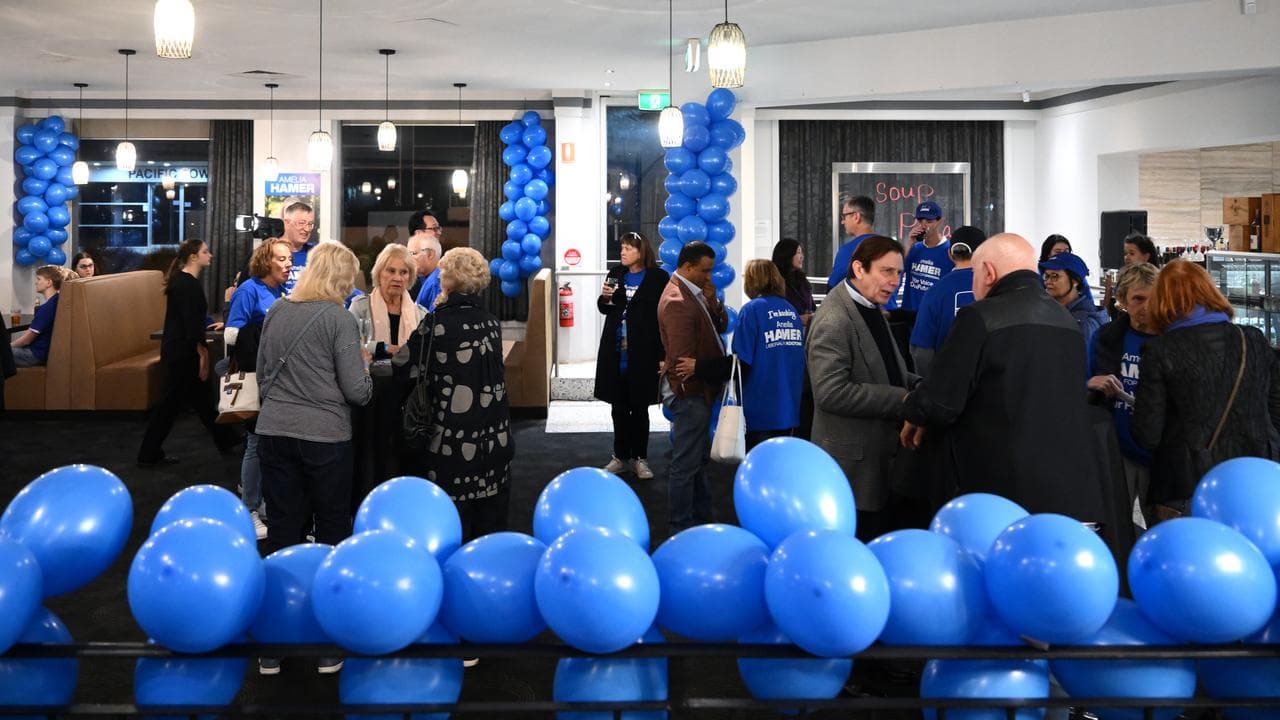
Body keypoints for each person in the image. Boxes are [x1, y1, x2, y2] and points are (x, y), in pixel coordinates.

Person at [900, 234, 1112, 524]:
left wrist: (912, 407)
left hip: (996, 489)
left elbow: (940, 402)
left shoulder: (980, 317)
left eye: (974, 275)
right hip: (1064, 488)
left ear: (988, 272)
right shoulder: (1066, 320)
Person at [1132, 260, 1280, 518]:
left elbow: (1148, 434)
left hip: (1188, 484)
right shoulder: (1252, 339)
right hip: (1256, 478)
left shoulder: (1159, 351)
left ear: (1161, 302)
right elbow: (1276, 407)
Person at [256, 242, 372, 552]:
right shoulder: (340, 319)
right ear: (341, 278)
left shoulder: (277, 309)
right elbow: (357, 392)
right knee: (332, 522)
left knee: (282, 524)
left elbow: (262, 373)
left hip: (274, 431)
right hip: (325, 437)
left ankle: (283, 580)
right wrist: (365, 367)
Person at [398, 248, 514, 541]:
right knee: (489, 530)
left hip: (452, 443)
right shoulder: (491, 322)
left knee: (454, 526)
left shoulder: (437, 323)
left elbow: (403, 365)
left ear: (447, 281)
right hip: (494, 439)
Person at [808, 236, 917, 540]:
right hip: (851, 473)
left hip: (879, 462)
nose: (895, 281)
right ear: (859, 269)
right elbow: (831, 392)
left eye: (899, 273)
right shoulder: (834, 318)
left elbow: (886, 368)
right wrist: (904, 398)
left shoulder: (870, 306)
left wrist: (919, 386)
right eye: (887, 271)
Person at [137, 240, 237, 467]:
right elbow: (190, 325)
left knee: (200, 401)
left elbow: (191, 320)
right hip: (183, 353)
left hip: (179, 350)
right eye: (205, 252)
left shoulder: (183, 283)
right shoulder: (187, 285)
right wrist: (202, 354)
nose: (210, 255)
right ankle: (148, 453)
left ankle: (226, 439)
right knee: (172, 404)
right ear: (193, 257)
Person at [223, 239, 292, 540]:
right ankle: (248, 508)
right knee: (255, 442)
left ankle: (261, 502)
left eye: (289, 259)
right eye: (282, 259)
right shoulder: (248, 290)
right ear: (266, 261)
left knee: (269, 443)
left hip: (276, 378)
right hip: (254, 376)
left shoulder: (281, 291)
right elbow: (232, 335)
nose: (288, 264)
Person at [658, 241, 728, 535]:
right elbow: (682, 362)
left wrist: (713, 303)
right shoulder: (677, 300)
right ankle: (681, 527)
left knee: (696, 460)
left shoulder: (694, 292)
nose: (709, 276)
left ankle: (700, 518)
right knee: (686, 464)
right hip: (690, 394)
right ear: (687, 267)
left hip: (698, 392)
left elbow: (719, 326)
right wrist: (696, 385)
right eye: (704, 271)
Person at [348, 243, 427, 498]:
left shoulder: (421, 314)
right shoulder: (360, 307)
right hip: (370, 400)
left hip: (407, 401)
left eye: (404, 272)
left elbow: (423, 355)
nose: (397, 277)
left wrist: (379, 349)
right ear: (379, 273)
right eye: (390, 271)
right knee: (370, 463)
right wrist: (391, 349)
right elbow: (353, 347)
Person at [1088, 262, 1158, 528]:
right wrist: (1090, 383)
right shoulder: (1106, 338)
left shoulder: (1174, 340)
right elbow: (1081, 381)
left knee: (1162, 529)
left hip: (1160, 453)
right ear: (1123, 301)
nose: (1147, 307)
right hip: (1118, 450)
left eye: (1153, 298)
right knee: (1115, 526)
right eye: (1138, 299)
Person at [594, 232, 668, 479]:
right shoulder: (616, 273)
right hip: (616, 350)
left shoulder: (658, 277)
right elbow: (606, 308)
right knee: (618, 406)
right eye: (622, 248)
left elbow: (663, 316)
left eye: (628, 248)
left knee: (639, 408)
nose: (622, 252)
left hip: (643, 351)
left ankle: (640, 458)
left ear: (641, 250)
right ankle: (620, 456)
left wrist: (663, 353)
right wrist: (605, 298)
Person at [731, 259, 806, 449]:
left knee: (756, 459)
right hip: (789, 404)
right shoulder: (791, 311)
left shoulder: (751, 310)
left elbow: (741, 360)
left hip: (758, 406)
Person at [908, 225, 987, 377]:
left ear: (950, 254)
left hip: (950, 381)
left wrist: (932, 384)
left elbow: (921, 350)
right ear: (983, 254)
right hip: (989, 380)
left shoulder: (935, 292)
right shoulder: (996, 286)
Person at [1040, 251, 1109, 343]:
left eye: (1054, 276)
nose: (1048, 282)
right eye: (1046, 276)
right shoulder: (1053, 311)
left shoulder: (1085, 324)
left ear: (1075, 281)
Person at [901, 200, 954, 312]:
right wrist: (908, 244)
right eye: (920, 220)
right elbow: (897, 271)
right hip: (908, 313)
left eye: (929, 221)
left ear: (940, 221)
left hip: (933, 314)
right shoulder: (913, 248)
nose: (923, 225)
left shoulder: (949, 251)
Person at [10, 265, 67, 368]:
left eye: (39, 279)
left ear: (49, 283)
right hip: (43, 352)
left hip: (35, 355)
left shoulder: (47, 308)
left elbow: (26, 340)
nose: (36, 282)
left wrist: (7, 348)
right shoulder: (57, 301)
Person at [1102, 233, 1160, 319]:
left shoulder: (1155, 281)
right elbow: (1108, 312)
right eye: (1126, 253)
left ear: (1146, 257)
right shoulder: (1124, 277)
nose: (1127, 257)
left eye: (1132, 253)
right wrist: (1108, 292)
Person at [827, 195, 878, 292]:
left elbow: (833, 288)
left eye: (844, 216)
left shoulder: (848, 251)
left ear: (856, 217)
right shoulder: (892, 248)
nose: (842, 222)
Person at [771, 238, 814, 327]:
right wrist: (798, 319)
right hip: (785, 330)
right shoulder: (775, 282)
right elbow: (772, 314)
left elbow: (812, 306)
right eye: (798, 252)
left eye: (801, 253)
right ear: (787, 254)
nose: (802, 256)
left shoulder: (802, 280)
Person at [407, 211, 444, 309]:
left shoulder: (445, 266)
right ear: (418, 233)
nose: (439, 232)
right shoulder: (404, 272)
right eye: (434, 228)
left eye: (439, 228)